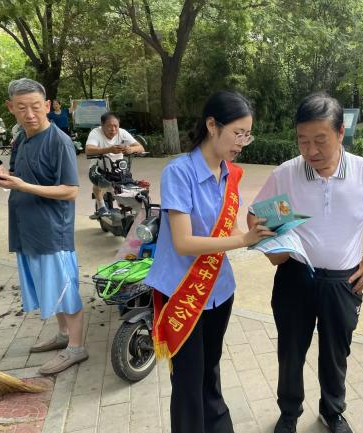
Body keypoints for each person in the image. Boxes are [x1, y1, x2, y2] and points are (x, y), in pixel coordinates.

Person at [248, 93, 363, 433]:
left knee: (335, 353)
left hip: (344, 282)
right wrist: (273, 246)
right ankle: (289, 413)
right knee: (290, 351)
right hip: (295, 277)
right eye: (303, 140)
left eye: (320, 140)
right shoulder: (287, 174)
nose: (311, 150)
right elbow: (256, 216)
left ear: (341, 133)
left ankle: (332, 412)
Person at [143, 91, 275, 433]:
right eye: (238, 133)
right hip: (182, 292)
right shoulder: (179, 172)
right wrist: (243, 240)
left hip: (220, 291)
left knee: (210, 371)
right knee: (188, 381)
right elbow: (184, 242)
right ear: (212, 125)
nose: (242, 143)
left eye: (248, 135)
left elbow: (228, 229)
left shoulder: (230, 174)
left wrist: (265, 233)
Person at [0, 78, 87, 375]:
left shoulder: (59, 141)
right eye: (22, 108)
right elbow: (20, 175)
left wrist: (23, 186)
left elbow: (70, 191)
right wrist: (4, 175)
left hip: (51, 231)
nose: (30, 114)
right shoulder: (21, 138)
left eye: (35, 106)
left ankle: (76, 348)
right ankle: (63, 335)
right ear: (10, 108)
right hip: (26, 229)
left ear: (47, 105)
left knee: (65, 289)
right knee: (49, 286)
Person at [84, 112, 145, 218]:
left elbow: (140, 148)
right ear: (102, 125)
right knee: (99, 180)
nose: (113, 129)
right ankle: (101, 205)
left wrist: (131, 149)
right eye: (109, 126)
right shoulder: (95, 132)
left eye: (116, 126)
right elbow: (88, 150)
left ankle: (124, 202)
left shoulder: (122, 133)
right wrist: (108, 150)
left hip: (118, 166)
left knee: (128, 183)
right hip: (100, 164)